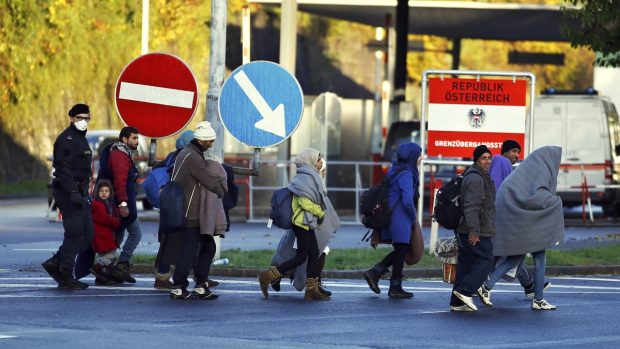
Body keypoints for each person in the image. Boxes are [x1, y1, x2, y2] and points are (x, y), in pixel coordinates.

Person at [488, 146, 564, 310]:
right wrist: (556, 202)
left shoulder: (524, 174)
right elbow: (538, 199)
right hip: (527, 224)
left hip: (520, 223)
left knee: (514, 259)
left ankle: (486, 287)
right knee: (539, 261)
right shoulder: (538, 176)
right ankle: (538, 299)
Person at [258, 148, 339, 301]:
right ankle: (267, 276)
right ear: (309, 161)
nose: (321, 162)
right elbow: (304, 202)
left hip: (308, 223)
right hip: (302, 223)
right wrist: (320, 212)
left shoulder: (311, 176)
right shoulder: (305, 179)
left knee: (314, 255)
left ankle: (312, 289)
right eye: (318, 160)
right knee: (302, 257)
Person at [477, 140, 548, 306]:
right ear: (505, 152)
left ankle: (529, 284)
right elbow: (498, 190)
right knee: (509, 254)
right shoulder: (502, 162)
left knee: (509, 255)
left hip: (496, 217)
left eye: (518, 152)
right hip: (499, 218)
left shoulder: (501, 163)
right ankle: (483, 285)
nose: (517, 155)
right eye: (514, 151)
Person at [169, 121, 227, 300]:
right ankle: (179, 286)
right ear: (202, 141)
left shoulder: (187, 153)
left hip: (188, 209)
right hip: (190, 211)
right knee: (190, 250)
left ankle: (200, 284)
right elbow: (207, 179)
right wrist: (221, 191)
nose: (211, 144)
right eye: (209, 141)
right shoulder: (192, 157)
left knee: (206, 246)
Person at [41, 103, 94, 290]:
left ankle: (55, 262)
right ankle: (65, 274)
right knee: (75, 232)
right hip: (68, 191)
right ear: (71, 118)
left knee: (87, 234)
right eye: (79, 118)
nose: (83, 121)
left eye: (86, 118)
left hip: (79, 192)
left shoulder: (80, 138)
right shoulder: (67, 139)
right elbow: (63, 169)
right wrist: (72, 192)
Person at [363, 142, 421, 299]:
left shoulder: (395, 169)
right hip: (400, 217)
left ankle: (379, 275)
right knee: (402, 250)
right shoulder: (407, 174)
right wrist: (413, 216)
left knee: (400, 250)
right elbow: (408, 200)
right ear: (411, 157)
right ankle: (390, 283)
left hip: (391, 215)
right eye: (418, 155)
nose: (420, 158)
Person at [450, 145, 496, 312]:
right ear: (476, 159)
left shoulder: (480, 175)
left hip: (468, 229)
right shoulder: (476, 178)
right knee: (487, 259)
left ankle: (457, 303)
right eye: (483, 158)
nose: (487, 161)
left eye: (489, 158)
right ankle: (465, 291)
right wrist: (475, 231)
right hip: (476, 230)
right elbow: (471, 206)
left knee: (466, 265)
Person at [98, 126, 143, 284]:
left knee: (119, 234)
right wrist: (123, 203)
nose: (137, 141)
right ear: (124, 139)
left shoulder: (124, 153)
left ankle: (113, 270)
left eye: (137, 138)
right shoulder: (120, 155)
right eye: (134, 138)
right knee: (134, 234)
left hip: (121, 203)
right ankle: (109, 268)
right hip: (121, 204)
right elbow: (119, 182)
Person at [89, 179, 121, 285]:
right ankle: (97, 266)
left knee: (104, 256)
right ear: (97, 192)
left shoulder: (110, 204)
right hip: (101, 235)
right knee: (112, 254)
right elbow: (104, 218)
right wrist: (116, 222)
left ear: (110, 192)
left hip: (106, 234)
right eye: (101, 191)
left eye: (106, 191)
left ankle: (101, 277)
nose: (104, 193)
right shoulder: (97, 204)